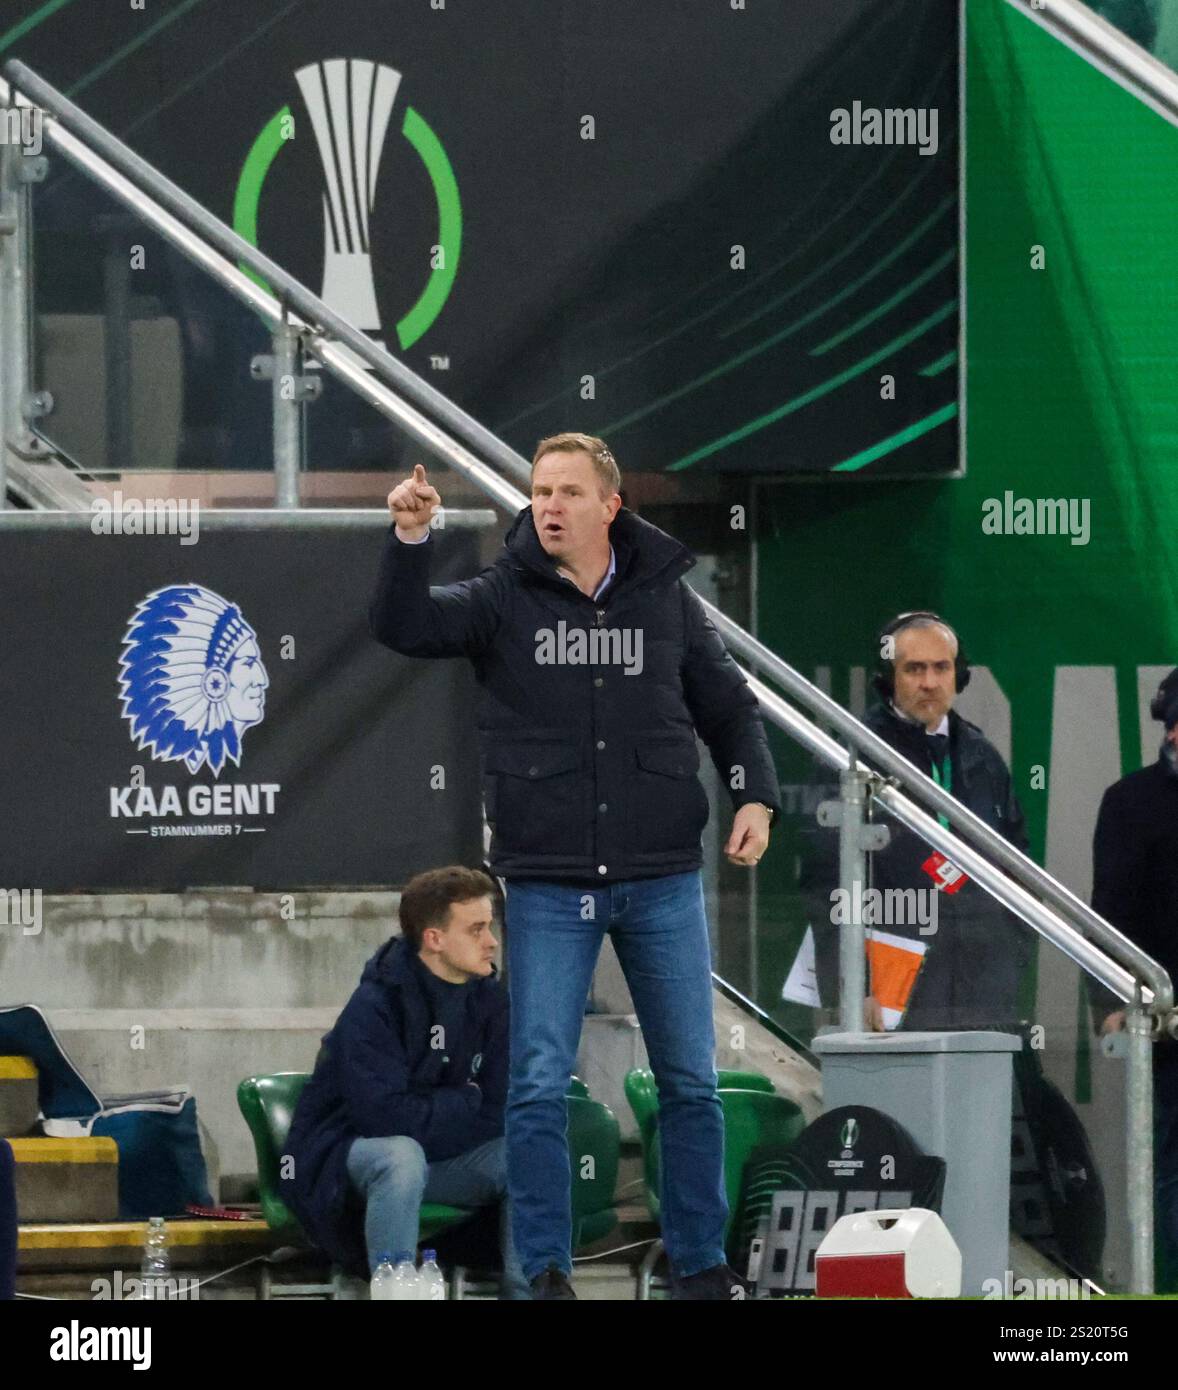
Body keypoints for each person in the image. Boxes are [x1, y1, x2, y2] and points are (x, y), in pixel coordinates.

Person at [370, 433, 781, 1299]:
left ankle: (700, 1267)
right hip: (549, 882)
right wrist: (409, 541)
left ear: (609, 507)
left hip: (663, 877)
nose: (546, 505)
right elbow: (406, 626)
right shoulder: (501, 595)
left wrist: (754, 795)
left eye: (565, 491)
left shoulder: (668, 600)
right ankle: (546, 1272)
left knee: (690, 1084)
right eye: (538, 490)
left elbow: (730, 708)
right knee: (534, 1085)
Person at [281, 865, 530, 1298]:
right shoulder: (376, 1004)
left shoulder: (491, 999)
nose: (492, 942)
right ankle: (395, 1291)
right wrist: (462, 1102)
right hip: (343, 1157)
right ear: (434, 939)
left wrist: (451, 1112)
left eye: (490, 927)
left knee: (528, 1152)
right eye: (476, 929)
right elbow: (381, 1118)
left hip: (431, 1156)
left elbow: (498, 1108)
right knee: (402, 1156)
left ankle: (524, 1291)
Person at [801, 611, 1030, 1031]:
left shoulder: (982, 755)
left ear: (958, 675)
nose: (929, 682)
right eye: (914, 669)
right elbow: (825, 881)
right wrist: (852, 984)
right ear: (888, 678)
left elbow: (1017, 867)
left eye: (941, 668)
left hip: (982, 986)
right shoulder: (853, 755)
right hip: (891, 993)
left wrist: (1012, 958)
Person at [1088, 667, 1178, 1270]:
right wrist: (1111, 1005)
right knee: (1171, 1171)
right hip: (1168, 1029)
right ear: (1171, 729)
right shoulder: (1131, 802)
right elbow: (1107, 918)